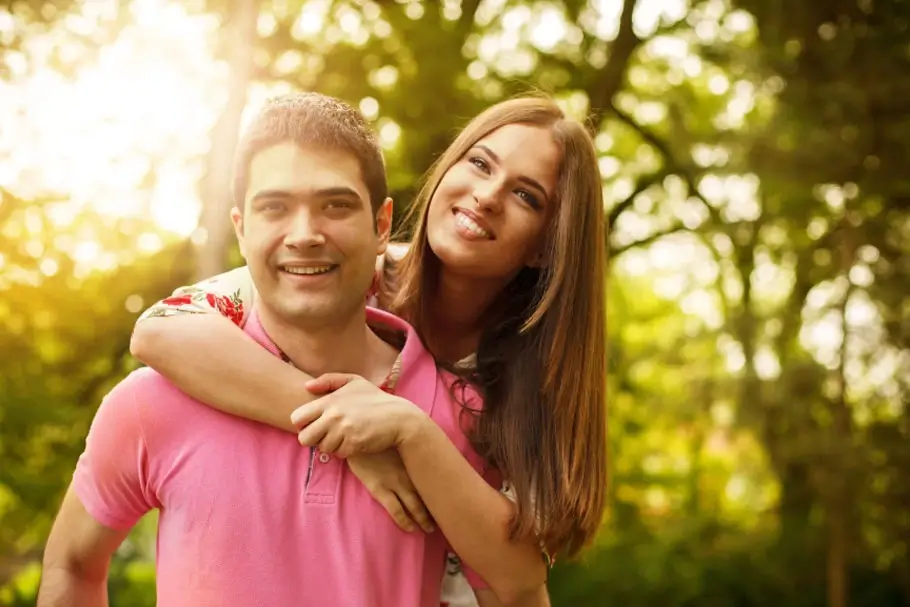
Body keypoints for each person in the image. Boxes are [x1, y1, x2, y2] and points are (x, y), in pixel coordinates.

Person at [131, 94, 608, 606]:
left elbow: (520, 578)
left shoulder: (537, 374)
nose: (487, 196)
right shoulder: (344, 270)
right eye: (479, 163)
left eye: (526, 196)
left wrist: (411, 433)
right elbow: (161, 329)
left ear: (545, 245)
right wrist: (348, 434)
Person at [38, 93, 513, 607]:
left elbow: (517, 594)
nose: (305, 235)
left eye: (335, 205)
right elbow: (71, 565)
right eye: (275, 208)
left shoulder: (463, 418)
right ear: (242, 230)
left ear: (381, 227)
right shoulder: (151, 402)